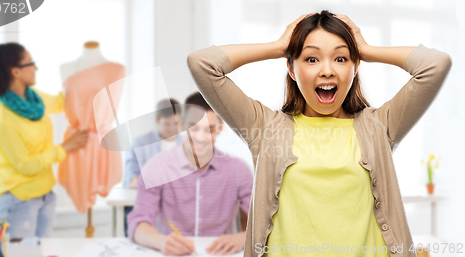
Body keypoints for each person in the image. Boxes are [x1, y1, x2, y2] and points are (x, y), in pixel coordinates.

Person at [187, 10, 452, 257]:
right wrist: (279, 47)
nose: (327, 70)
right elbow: (202, 64)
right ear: (291, 69)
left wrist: (366, 50)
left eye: (341, 58)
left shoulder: (379, 126)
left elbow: (435, 66)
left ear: (355, 67)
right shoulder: (265, 128)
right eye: (311, 58)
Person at [0, 42, 89, 238]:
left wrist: (83, 79)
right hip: (17, 199)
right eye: (30, 63)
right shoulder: (4, 119)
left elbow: (59, 103)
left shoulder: (33, 98)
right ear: (16, 71)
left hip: (45, 196)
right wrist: (64, 147)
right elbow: (27, 165)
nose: (35, 68)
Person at [127, 92, 254, 256]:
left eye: (209, 129)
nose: (200, 138)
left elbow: (263, 221)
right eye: (193, 128)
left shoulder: (238, 170)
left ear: (220, 128)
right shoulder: (157, 167)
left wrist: (243, 238)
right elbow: (137, 224)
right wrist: (161, 241)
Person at [122, 98, 184, 236]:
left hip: (176, 209)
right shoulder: (140, 143)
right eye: (167, 124)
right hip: (144, 205)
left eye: (176, 123)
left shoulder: (187, 146)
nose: (172, 129)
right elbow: (132, 180)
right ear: (157, 121)